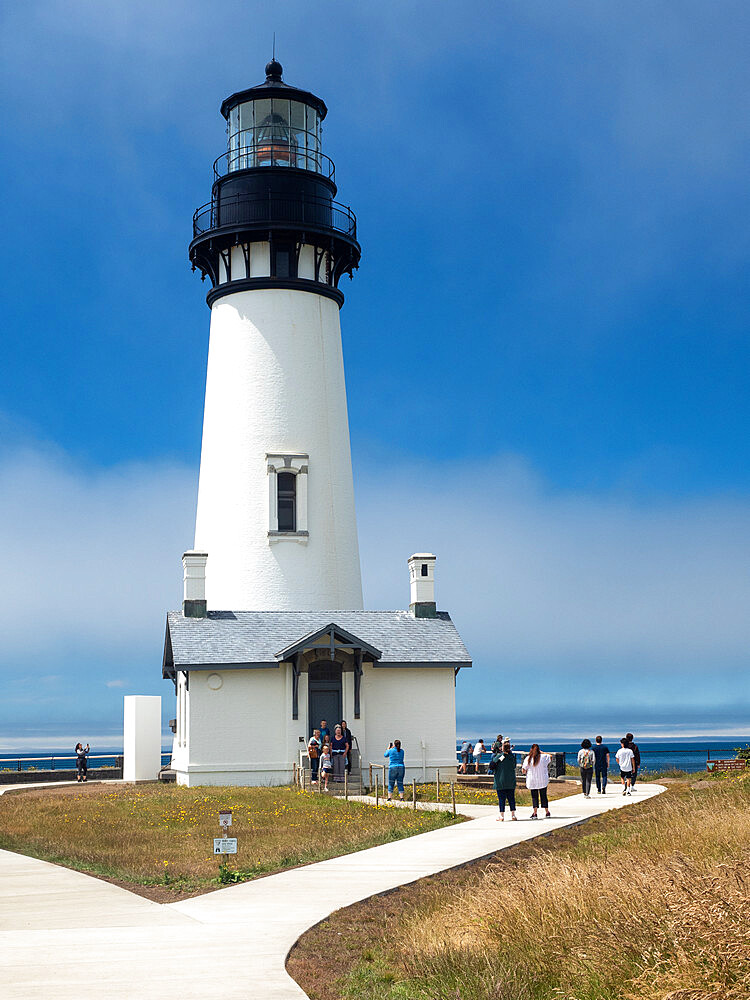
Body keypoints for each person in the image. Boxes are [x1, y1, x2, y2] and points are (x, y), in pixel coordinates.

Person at [522, 743, 551, 818]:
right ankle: (547, 812)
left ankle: (535, 813)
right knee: (543, 795)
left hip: (532, 780)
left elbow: (523, 770)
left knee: (534, 796)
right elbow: (550, 756)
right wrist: (542, 752)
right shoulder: (543, 757)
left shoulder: (528, 758)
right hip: (542, 779)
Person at [491, 739, 517, 821]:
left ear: (502, 748)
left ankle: (501, 816)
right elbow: (514, 766)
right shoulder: (512, 757)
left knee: (501, 799)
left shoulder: (501, 756)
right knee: (511, 799)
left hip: (500, 781)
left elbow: (492, 765)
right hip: (510, 781)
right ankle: (513, 815)